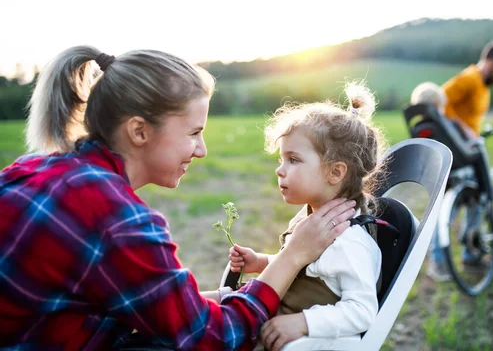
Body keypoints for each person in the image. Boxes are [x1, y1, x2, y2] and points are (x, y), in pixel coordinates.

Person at [0, 46, 358, 350]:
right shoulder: (118, 219)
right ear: (139, 131)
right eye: (193, 132)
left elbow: (117, 305)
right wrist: (294, 254)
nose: (201, 150)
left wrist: (211, 300)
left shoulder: (35, 169)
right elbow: (213, 337)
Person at [227, 81, 386, 351]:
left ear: (335, 172)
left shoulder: (349, 242)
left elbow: (361, 310)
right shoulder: (309, 220)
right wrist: (262, 261)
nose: (280, 170)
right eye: (281, 160)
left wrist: (303, 322)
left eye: (293, 160)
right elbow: (303, 267)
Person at [426, 40, 493, 281]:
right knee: (456, 204)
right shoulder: (469, 79)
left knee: (479, 201)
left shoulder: (483, 85)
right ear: (491, 62)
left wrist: (473, 129)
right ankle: (438, 261)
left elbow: (467, 113)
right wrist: (463, 128)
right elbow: (435, 106)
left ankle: (470, 253)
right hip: (461, 152)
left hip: (471, 148)